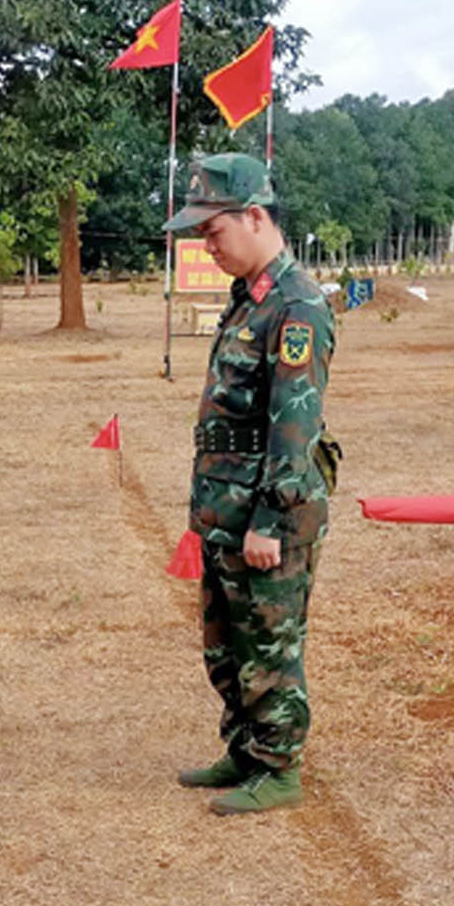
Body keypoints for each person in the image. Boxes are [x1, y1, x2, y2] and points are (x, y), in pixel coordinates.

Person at [168, 153, 338, 815]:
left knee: (269, 645)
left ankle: (278, 766)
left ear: (256, 217)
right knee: (227, 644)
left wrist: (269, 519)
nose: (207, 246)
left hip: (268, 514)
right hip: (226, 510)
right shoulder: (251, 300)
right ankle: (243, 750)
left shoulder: (296, 308)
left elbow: (294, 426)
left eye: (214, 231)